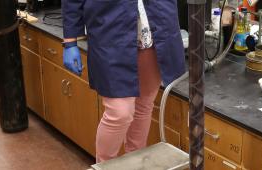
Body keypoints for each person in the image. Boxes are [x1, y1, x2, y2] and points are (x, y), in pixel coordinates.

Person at [62, 0, 186, 163]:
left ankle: (135, 163)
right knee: (119, 113)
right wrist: (70, 41)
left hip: (155, 28)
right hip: (111, 29)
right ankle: (104, 166)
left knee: (144, 105)